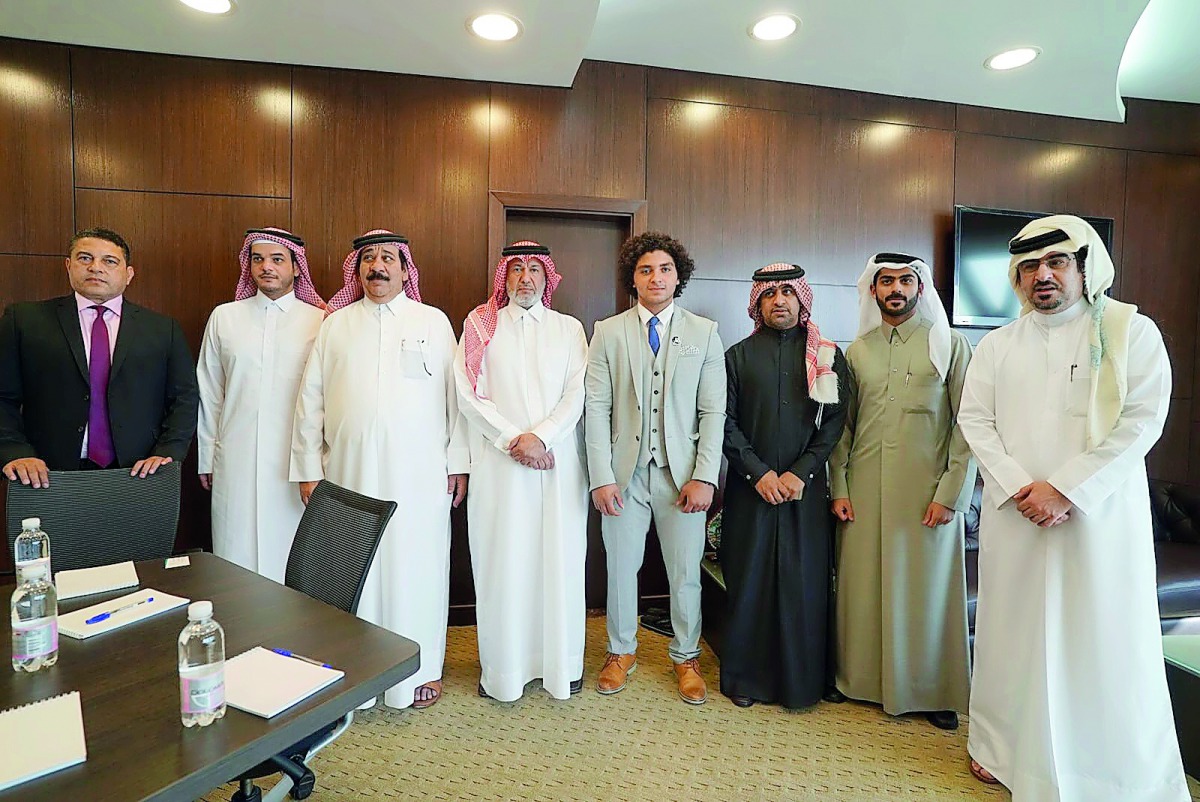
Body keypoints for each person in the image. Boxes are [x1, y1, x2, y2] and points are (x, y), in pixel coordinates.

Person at [958, 215, 1187, 800]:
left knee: (1100, 635)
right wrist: (1017, 486)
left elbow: (1142, 420)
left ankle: (1105, 764)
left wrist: (1066, 489)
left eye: (1056, 262)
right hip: (1019, 519)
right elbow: (974, 421)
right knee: (1013, 633)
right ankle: (1001, 748)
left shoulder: (1130, 332)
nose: (1043, 276)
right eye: (1030, 266)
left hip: (1099, 519)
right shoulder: (997, 344)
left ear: (1085, 267)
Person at [291, 229, 469, 710]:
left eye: (388, 258)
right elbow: (310, 401)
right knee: (353, 572)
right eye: (368, 258)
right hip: (349, 472)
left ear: (406, 268)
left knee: (418, 569)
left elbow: (458, 402)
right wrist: (308, 468)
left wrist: (460, 465)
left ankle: (420, 668)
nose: (378, 267)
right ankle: (356, 676)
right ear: (358, 270)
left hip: (421, 473)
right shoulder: (336, 325)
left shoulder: (433, 321)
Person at [828, 252, 975, 729]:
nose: (895, 289)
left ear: (919, 287)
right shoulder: (858, 350)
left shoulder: (949, 345)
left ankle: (934, 692)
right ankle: (859, 681)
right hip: (864, 490)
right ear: (873, 291)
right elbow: (842, 429)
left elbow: (967, 427)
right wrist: (839, 486)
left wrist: (950, 493)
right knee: (861, 587)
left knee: (928, 594)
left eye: (905, 280)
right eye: (886, 281)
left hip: (926, 493)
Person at [585, 231, 725, 705]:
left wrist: (705, 475)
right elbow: (596, 407)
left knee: (685, 572)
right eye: (645, 269)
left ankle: (686, 656)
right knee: (620, 569)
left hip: (682, 476)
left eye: (664, 268)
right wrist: (601, 477)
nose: (656, 277)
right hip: (624, 475)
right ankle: (620, 652)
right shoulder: (607, 331)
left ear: (678, 275)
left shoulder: (704, 332)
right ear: (633, 278)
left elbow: (713, 412)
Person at [454, 241, 589, 702]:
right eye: (517, 270)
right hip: (501, 467)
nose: (526, 278)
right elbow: (468, 394)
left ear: (548, 277)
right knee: (504, 563)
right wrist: (516, 439)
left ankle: (562, 666)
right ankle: (504, 672)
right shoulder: (479, 325)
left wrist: (543, 437)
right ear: (504, 278)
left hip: (557, 467)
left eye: (535, 269)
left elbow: (578, 393)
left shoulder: (569, 329)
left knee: (560, 562)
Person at [720, 263, 848, 709]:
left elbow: (834, 424)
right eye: (770, 294)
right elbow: (724, 423)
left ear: (801, 299)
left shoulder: (827, 356)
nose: (780, 301)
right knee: (750, 580)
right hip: (749, 490)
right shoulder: (736, 356)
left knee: (803, 584)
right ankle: (746, 680)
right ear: (757, 302)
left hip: (803, 492)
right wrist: (759, 473)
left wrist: (801, 472)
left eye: (788, 293)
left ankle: (804, 682)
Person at [0, 227, 198, 486]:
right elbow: (3, 396)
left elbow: (184, 397)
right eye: (85, 258)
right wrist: (15, 451)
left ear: (129, 274)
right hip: (44, 472)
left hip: (139, 472)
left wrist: (168, 452)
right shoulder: (24, 321)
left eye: (109, 261)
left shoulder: (163, 329)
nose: (95, 267)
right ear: (68, 266)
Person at [196, 228, 326, 582]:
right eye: (258, 259)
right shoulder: (225, 317)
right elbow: (210, 391)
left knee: (292, 559)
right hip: (235, 458)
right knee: (235, 554)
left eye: (277, 259)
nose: (266, 267)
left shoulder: (320, 320)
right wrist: (207, 456)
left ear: (296, 267)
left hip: (295, 464)